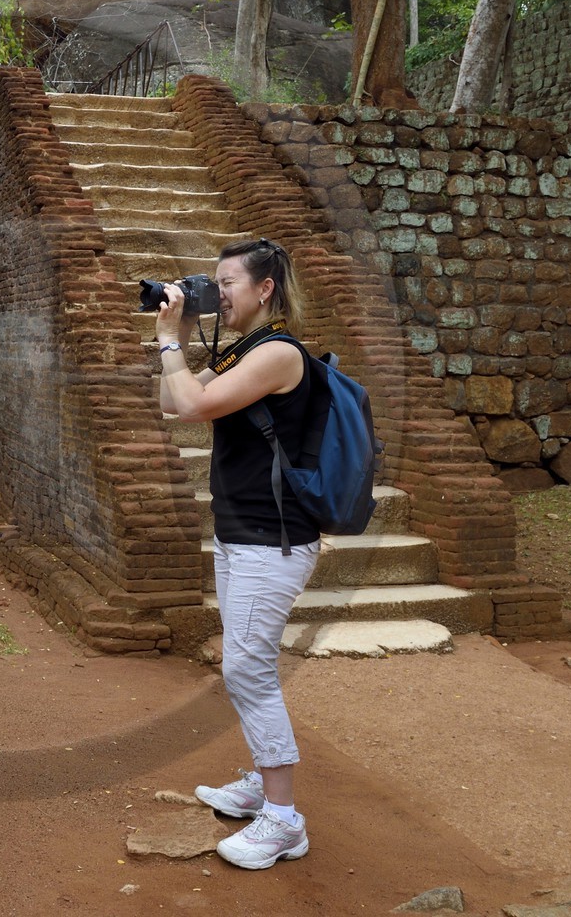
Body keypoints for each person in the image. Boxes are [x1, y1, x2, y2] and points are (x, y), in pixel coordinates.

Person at [156, 238, 318, 871]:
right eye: (215, 282)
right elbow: (172, 403)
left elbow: (196, 406)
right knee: (247, 664)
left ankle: (283, 819)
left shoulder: (278, 353)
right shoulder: (244, 350)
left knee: (247, 670)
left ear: (264, 288)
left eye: (227, 283)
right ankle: (261, 782)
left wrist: (168, 340)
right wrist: (180, 335)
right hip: (240, 534)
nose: (217, 292)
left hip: (271, 539)